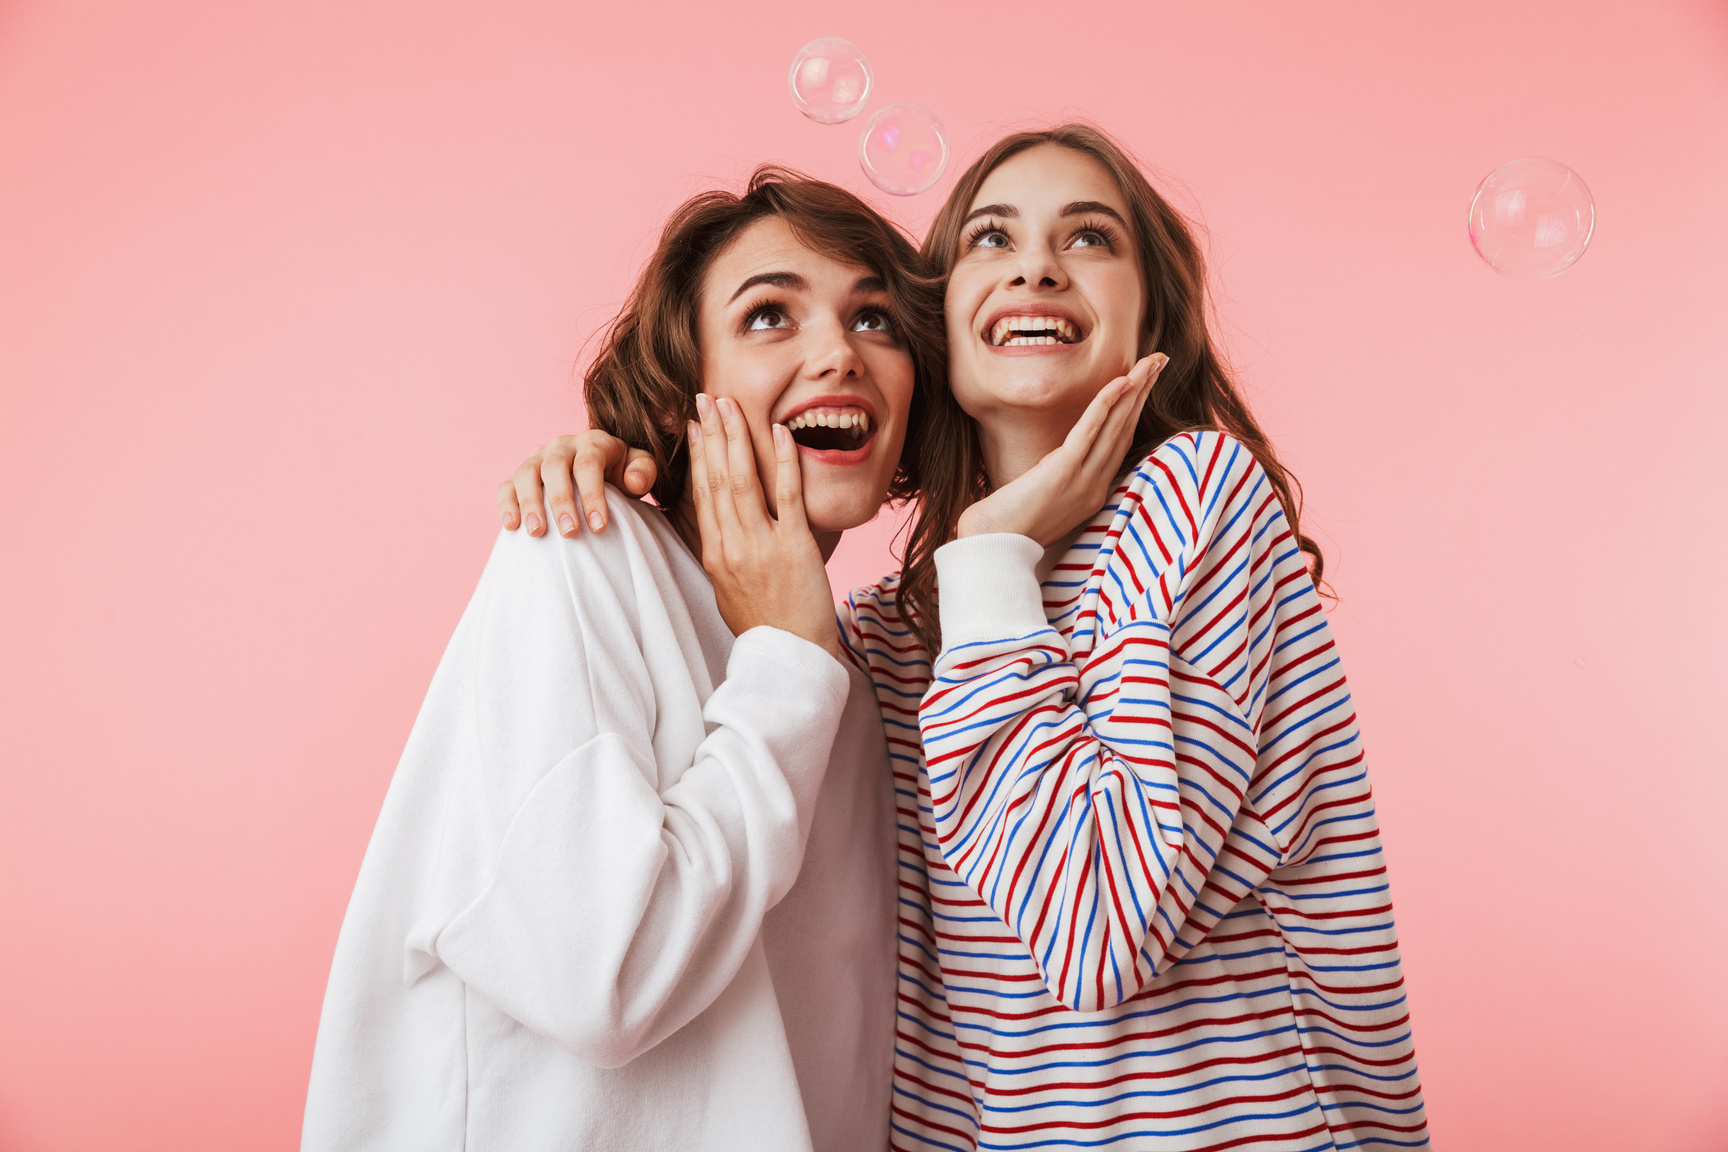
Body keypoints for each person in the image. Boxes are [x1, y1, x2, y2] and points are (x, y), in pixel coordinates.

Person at [506, 124, 1428, 1150]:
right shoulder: (888, 642)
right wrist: (620, 464)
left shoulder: (1200, 504)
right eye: (992, 239)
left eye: (1089, 240)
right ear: (939, 322)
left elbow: (1094, 934)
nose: (1036, 262)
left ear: (1151, 318)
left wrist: (993, 554)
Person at [303, 167, 945, 1152]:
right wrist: (784, 668)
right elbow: (605, 977)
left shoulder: (852, 677)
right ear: (688, 388)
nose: (838, 355)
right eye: (770, 316)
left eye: (877, 320)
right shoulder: (579, 554)